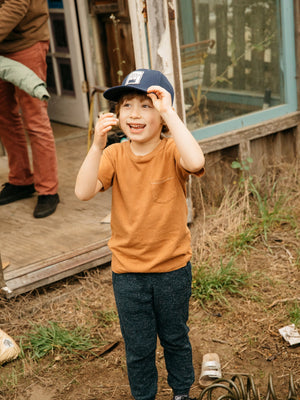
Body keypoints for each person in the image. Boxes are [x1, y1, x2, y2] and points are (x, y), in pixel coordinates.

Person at [75, 68, 205, 400]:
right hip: (128, 273)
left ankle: (180, 393)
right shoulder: (114, 155)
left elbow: (195, 160)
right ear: (117, 116)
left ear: (162, 115)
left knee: (175, 337)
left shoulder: (172, 150)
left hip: (172, 269)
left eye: (146, 105)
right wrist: (96, 145)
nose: (134, 113)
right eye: (127, 105)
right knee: (139, 346)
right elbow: (83, 191)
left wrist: (170, 113)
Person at [0, 0, 59, 218]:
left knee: (35, 118)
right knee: (4, 117)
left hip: (26, 43)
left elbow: (16, 4)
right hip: (1, 46)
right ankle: (21, 180)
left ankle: (48, 189)